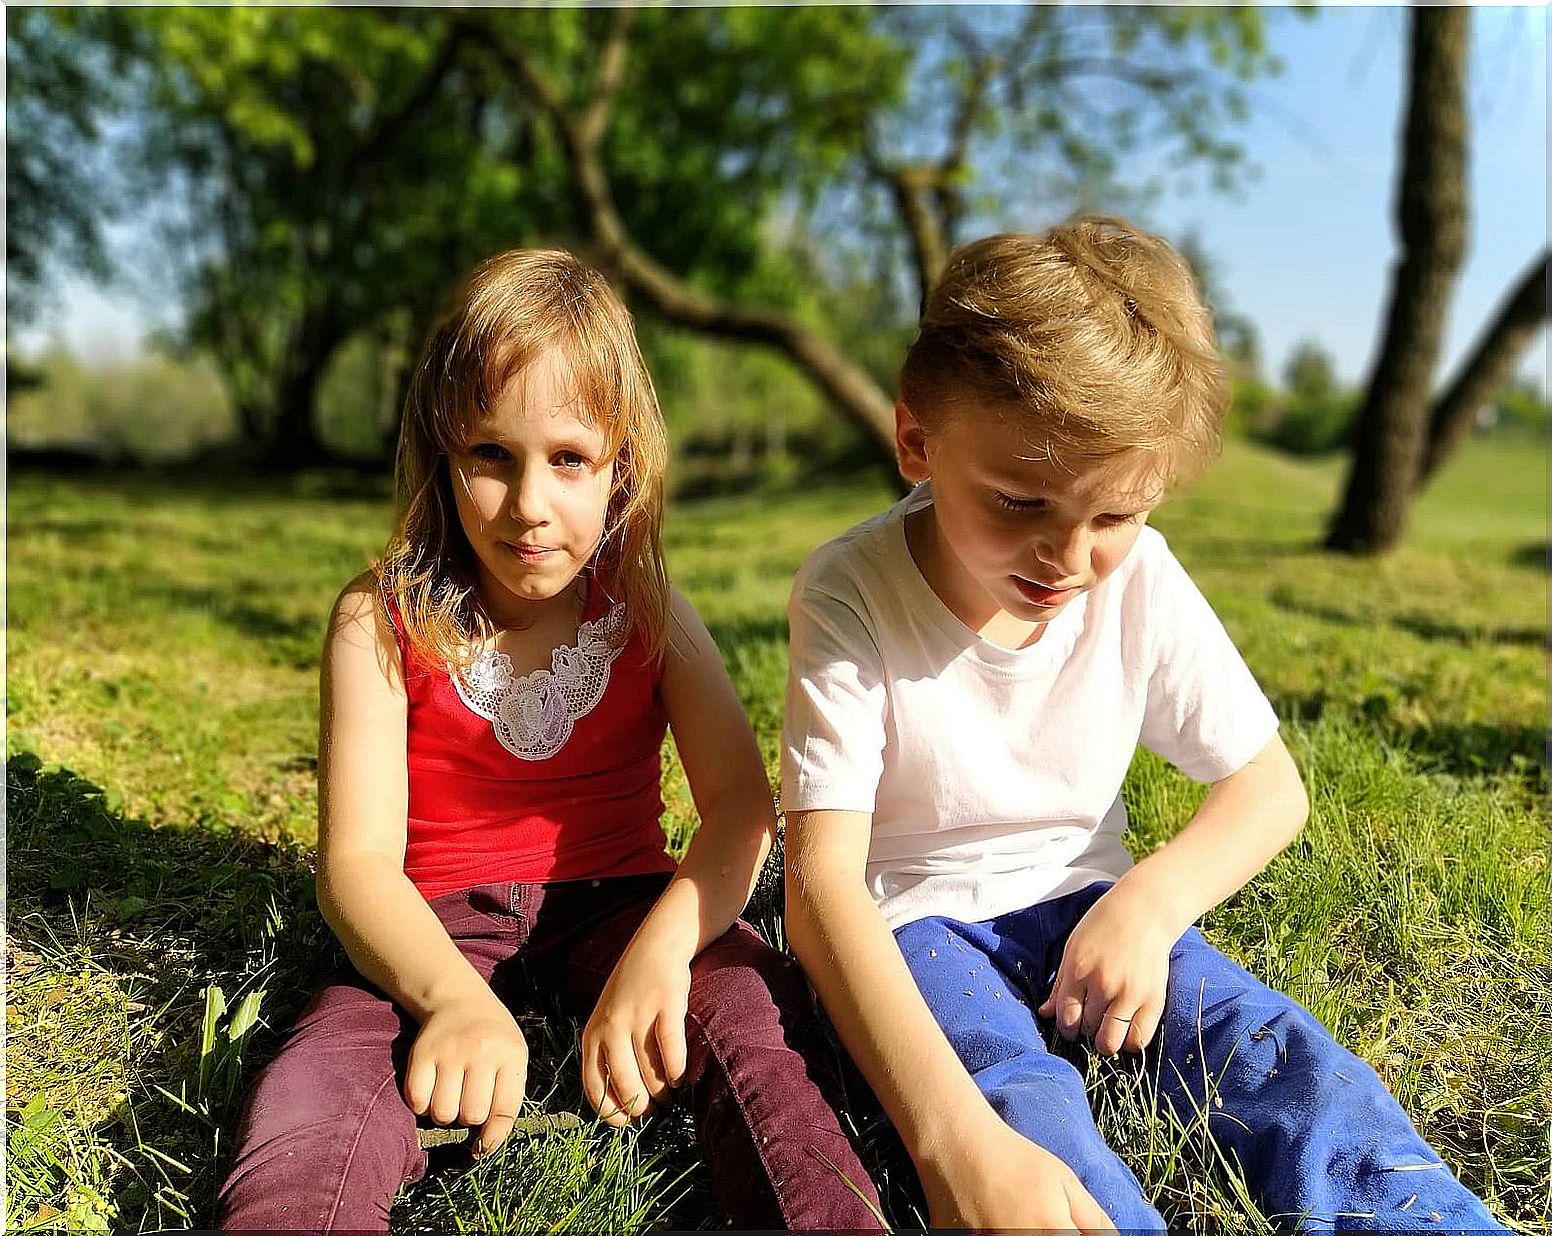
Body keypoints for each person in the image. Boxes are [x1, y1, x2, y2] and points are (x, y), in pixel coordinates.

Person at [780, 218, 1507, 1233]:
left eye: (1114, 516)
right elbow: (820, 885)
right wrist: (955, 1142)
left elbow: (1266, 790)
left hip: (1090, 898)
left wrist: (1148, 905)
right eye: (1019, 500)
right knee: (1020, 1107)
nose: (1066, 558)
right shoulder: (849, 590)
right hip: (915, 924)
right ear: (916, 441)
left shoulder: (1141, 582)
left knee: (1285, 1069)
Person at [218, 249, 882, 1231]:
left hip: (624, 900)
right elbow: (356, 864)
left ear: (622, 469)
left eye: (568, 459)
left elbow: (741, 809)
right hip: (426, 921)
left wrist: (661, 955)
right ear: (442, 454)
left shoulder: (651, 611)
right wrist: (450, 1000)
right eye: (491, 455)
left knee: (757, 1025)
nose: (529, 505)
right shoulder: (378, 620)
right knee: (315, 1091)